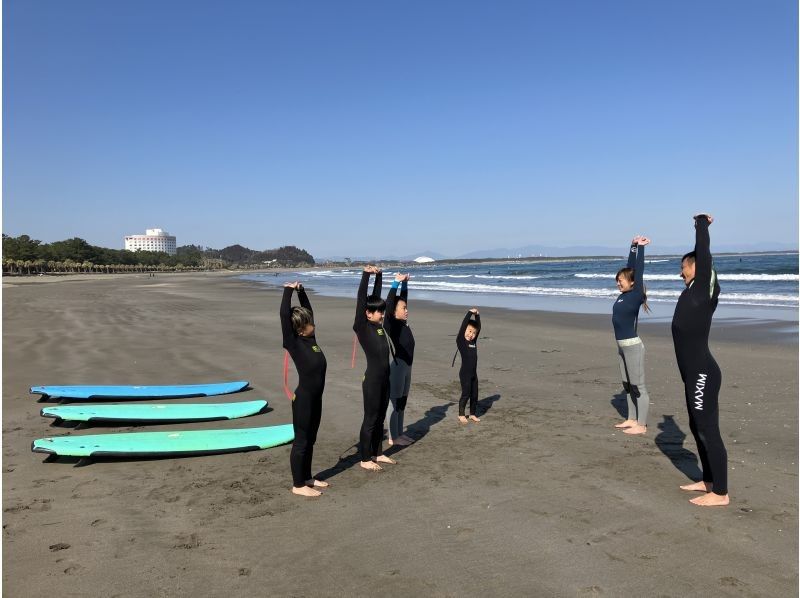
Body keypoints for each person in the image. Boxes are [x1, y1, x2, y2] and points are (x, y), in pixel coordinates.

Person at [672, 214, 729, 506]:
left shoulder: (704, 285)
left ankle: (720, 493)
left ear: (696, 267)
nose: (681, 272)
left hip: (703, 372)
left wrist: (701, 225)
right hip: (692, 372)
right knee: (697, 427)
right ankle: (708, 480)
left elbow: (704, 252)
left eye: (683, 267)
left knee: (708, 428)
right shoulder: (690, 291)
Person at [280, 282, 329, 498]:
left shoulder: (312, 340)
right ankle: (298, 484)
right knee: (301, 441)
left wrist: (301, 291)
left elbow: (309, 310)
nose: (313, 324)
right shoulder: (293, 342)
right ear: (301, 328)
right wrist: (288, 290)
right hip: (304, 400)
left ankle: (307, 477)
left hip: (316, 399)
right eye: (309, 322)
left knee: (311, 439)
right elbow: (283, 316)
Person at [353, 266, 395, 471]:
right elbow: (362, 299)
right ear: (368, 314)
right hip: (372, 381)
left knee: (380, 418)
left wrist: (379, 275)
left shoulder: (379, 328)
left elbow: (375, 297)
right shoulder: (362, 326)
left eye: (383, 310)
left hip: (385, 379)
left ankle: (378, 453)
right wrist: (366, 275)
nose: (382, 313)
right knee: (370, 419)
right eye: (379, 311)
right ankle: (365, 458)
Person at [612, 236, 652, 435]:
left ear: (632, 282)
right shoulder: (622, 295)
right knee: (627, 384)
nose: (618, 283)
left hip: (633, 346)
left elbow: (638, 271)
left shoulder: (636, 294)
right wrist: (632, 246)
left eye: (620, 280)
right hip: (621, 346)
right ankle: (631, 418)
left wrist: (641, 248)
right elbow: (630, 269)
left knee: (638, 386)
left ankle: (642, 425)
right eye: (617, 281)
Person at [384, 273, 416, 446]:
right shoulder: (391, 324)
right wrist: (395, 282)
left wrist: (404, 285)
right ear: (394, 312)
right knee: (394, 402)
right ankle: (392, 436)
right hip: (398, 367)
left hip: (408, 367)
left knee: (402, 402)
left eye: (406, 307)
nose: (406, 309)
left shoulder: (403, 323)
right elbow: (390, 303)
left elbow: (403, 298)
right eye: (403, 308)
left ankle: (399, 433)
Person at [455, 308, 481, 423]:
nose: (472, 334)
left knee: (474, 394)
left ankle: (472, 414)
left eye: (474, 333)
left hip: (473, 374)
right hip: (465, 373)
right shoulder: (461, 340)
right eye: (470, 331)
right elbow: (463, 325)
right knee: (466, 394)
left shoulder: (473, 342)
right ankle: (461, 414)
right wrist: (470, 313)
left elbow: (478, 327)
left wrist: (477, 316)